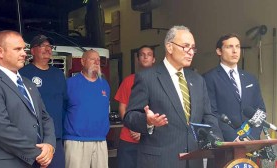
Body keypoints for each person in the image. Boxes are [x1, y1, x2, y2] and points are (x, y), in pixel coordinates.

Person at [124, 25, 223, 168]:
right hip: (160, 161)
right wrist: (148, 121)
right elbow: (130, 116)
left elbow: (208, 115)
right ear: (169, 47)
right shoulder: (147, 78)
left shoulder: (197, 80)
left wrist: (219, 141)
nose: (191, 52)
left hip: (193, 160)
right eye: (185, 47)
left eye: (193, 48)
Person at [0, 30, 56, 168]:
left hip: (35, 161)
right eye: (18, 49)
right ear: (0, 52)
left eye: (24, 49)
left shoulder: (28, 83)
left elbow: (45, 118)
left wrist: (49, 145)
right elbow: (0, 128)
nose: (24, 53)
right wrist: (37, 153)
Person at [203, 33, 266, 142]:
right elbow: (210, 113)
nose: (235, 51)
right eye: (229, 47)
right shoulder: (209, 78)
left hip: (252, 143)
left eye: (237, 46)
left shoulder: (250, 78)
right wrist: (234, 137)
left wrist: (253, 136)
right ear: (219, 51)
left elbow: (260, 110)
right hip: (225, 143)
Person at [19, 34, 66, 168]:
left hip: (55, 139)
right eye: (42, 46)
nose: (47, 49)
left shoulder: (58, 75)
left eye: (49, 46)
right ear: (32, 51)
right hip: (31, 140)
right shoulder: (22, 74)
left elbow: (65, 104)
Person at [63, 49, 110, 168]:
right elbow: (62, 110)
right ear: (83, 62)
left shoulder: (104, 84)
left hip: (100, 141)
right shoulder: (70, 83)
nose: (96, 62)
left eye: (98, 60)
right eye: (92, 59)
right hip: (76, 141)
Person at [114, 45, 155, 168]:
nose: (145, 57)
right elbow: (122, 107)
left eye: (149, 54)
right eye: (142, 54)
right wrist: (133, 127)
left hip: (151, 139)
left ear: (154, 59)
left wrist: (144, 130)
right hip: (128, 137)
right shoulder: (128, 80)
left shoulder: (160, 81)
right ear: (137, 59)